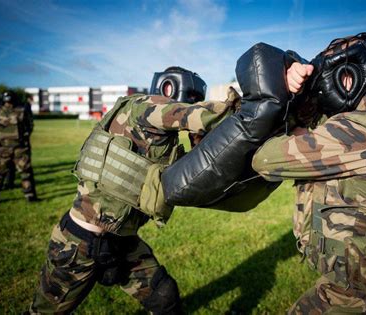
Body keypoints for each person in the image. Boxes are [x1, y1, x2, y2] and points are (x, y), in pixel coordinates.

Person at [29, 67, 241, 314]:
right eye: (193, 97)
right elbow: (200, 116)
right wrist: (244, 106)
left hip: (121, 240)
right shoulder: (146, 106)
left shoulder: (163, 137)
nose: (194, 102)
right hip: (78, 245)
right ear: (171, 87)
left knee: (164, 296)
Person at [252, 32, 366, 314]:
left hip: (358, 295)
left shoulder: (355, 132)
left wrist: (284, 100)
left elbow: (264, 159)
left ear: (345, 77)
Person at [0, 90, 38, 203]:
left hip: (2, 148)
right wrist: (24, 139)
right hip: (20, 148)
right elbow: (29, 126)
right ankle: (30, 196)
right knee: (25, 173)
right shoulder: (22, 110)